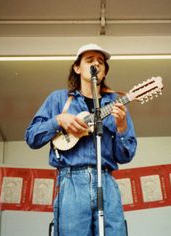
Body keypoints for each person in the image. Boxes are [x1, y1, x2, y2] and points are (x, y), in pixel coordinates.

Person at [25, 43, 137, 236]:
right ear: (77, 68)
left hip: (106, 179)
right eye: (89, 60)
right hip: (71, 180)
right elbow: (31, 137)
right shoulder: (59, 99)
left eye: (100, 61)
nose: (96, 64)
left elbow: (125, 156)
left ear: (104, 71)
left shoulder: (115, 104)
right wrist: (58, 120)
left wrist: (121, 126)